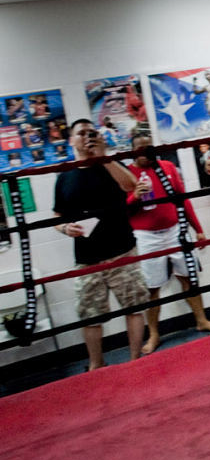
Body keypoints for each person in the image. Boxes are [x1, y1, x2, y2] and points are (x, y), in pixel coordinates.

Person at [53, 118, 149, 371]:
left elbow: (132, 187)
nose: (87, 137)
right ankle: (96, 365)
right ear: (71, 140)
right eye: (81, 133)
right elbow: (57, 216)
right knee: (90, 316)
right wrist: (64, 228)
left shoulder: (111, 165)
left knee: (134, 307)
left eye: (91, 132)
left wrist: (104, 156)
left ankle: (135, 362)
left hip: (122, 250)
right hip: (87, 257)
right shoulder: (65, 177)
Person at [127, 132, 210, 354]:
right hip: (146, 237)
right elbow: (121, 210)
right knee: (151, 288)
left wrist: (198, 229)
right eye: (140, 148)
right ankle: (154, 334)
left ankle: (201, 320)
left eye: (148, 147)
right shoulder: (128, 174)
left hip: (175, 231)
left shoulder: (167, 167)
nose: (146, 152)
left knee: (189, 277)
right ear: (133, 151)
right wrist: (134, 196)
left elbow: (183, 200)